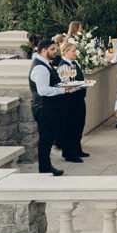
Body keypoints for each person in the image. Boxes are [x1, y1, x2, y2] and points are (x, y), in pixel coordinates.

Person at [29, 40, 76, 176]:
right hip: (44, 108)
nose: (55, 52)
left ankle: (46, 166)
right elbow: (43, 91)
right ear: (43, 50)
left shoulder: (45, 64)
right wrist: (63, 90)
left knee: (48, 138)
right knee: (46, 139)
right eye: (52, 49)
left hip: (47, 107)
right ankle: (44, 168)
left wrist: (61, 85)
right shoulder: (40, 68)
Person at [57, 42, 90, 162]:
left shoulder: (74, 63)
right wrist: (80, 85)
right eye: (73, 51)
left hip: (78, 98)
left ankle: (77, 148)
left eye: (75, 50)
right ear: (65, 52)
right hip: (69, 100)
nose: (75, 53)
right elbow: (66, 84)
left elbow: (78, 78)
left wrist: (84, 82)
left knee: (79, 124)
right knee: (70, 126)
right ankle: (69, 153)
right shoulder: (63, 66)